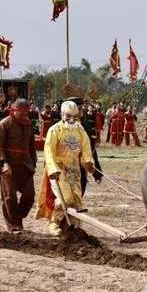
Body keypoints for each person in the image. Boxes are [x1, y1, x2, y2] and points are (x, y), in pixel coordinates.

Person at [34, 100, 95, 236]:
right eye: (68, 116)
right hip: (59, 170)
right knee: (65, 198)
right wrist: (53, 169)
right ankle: (54, 223)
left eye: (74, 117)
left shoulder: (80, 130)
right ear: (62, 115)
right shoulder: (54, 130)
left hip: (75, 171)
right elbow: (48, 151)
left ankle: (73, 226)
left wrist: (88, 162)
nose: (71, 120)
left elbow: (86, 149)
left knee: (77, 200)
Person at [0, 98, 37, 233]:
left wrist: (33, 163)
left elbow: (32, 146)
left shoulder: (29, 125)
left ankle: (17, 217)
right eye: (21, 114)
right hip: (9, 166)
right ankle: (13, 225)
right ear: (13, 111)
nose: (24, 117)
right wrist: (3, 163)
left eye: (26, 114)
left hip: (26, 165)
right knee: (9, 197)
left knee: (29, 196)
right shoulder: (4, 124)